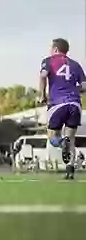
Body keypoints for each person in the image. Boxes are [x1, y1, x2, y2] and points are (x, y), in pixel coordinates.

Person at [37, 38, 85, 180]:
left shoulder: (48, 60)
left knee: (52, 137)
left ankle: (61, 143)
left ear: (56, 49)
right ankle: (70, 170)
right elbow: (84, 85)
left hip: (57, 103)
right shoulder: (75, 65)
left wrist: (41, 95)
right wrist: (74, 89)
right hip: (74, 104)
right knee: (71, 138)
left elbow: (43, 76)